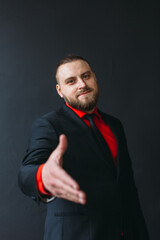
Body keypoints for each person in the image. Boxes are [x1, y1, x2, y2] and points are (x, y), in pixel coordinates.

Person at [18, 55, 149, 240]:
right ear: (60, 91)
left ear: (94, 77)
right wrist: (43, 175)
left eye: (86, 76)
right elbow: (26, 171)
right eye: (71, 81)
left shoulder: (114, 125)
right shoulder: (48, 124)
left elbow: (126, 188)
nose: (82, 84)